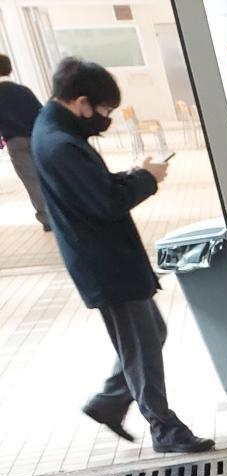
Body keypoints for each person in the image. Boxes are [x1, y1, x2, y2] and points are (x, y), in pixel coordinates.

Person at [31, 57, 212, 453]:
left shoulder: (55, 132)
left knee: (151, 334)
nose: (106, 118)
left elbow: (91, 190)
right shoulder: (60, 144)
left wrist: (133, 174)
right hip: (105, 262)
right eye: (104, 110)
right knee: (142, 347)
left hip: (107, 257)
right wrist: (146, 179)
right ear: (81, 102)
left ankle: (109, 402)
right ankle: (165, 429)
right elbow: (106, 202)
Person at [0, 54, 51, 231]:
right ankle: (60, 213)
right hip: (36, 139)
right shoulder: (24, 91)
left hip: (15, 143)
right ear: (10, 69)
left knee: (32, 181)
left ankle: (47, 219)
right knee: (46, 176)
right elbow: (41, 113)